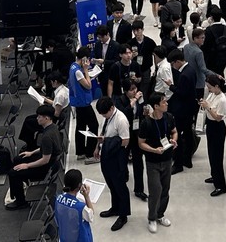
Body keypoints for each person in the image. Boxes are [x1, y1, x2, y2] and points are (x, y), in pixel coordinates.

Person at [6, 105, 63, 210]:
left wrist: (27, 165)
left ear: (46, 118)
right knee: (18, 159)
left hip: (45, 167)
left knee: (13, 173)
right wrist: (31, 153)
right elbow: (46, 148)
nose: (37, 118)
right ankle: (21, 185)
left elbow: (45, 160)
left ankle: (20, 201)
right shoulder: (53, 128)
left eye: (39, 116)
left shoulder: (47, 136)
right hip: (49, 160)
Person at [138, 92, 177, 234]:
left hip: (167, 159)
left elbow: (174, 132)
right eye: (163, 102)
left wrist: (174, 140)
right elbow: (141, 143)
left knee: (165, 189)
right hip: (153, 162)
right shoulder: (146, 123)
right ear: (156, 106)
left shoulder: (169, 117)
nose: (166, 104)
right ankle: (152, 217)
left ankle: (160, 214)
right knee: (156, 190)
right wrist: (154, 150)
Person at [94, 96, 131, 231]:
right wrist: (97, 147)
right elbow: (102, 133)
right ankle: (115, 208)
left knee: (120, 186)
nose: (103, 116)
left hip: (117, 157)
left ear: (111, 108)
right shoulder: (107, 117)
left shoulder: (121, 120)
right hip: (106, 154)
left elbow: (125, 141)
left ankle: (123, 215)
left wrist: (107, 140)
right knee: (111, 184)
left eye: (104, 113)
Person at [165, 48, 198, 174]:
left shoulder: (184, 75)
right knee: (188, 133)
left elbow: (181, 93)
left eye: (173, 64)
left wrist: (171, 86)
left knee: (177, 135)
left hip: (182, 110)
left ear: (177, 61)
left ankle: (178, 163)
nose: (173, 66)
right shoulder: (191, 70)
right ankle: (187, 159)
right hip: (190, 108)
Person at [68, 47, 100, 164]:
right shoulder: (78, 71)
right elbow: (88, 86)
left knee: (80, 126)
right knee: (94, 125)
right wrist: (86, 71)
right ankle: (90, 154)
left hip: (78, 101)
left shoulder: (73, 66)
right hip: (83, 102)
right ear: (84, 59)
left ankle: (81, 152)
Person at [199, 74, 226, 197]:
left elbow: (218, 117)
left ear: (216, 86)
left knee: (217, 156)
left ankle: (220, 185)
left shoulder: (222, 99)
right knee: (211, 153)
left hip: (217, 127)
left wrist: (208, 107)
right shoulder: (213, 94)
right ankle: (214, 175)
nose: (208, 89)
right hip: (210, 125)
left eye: (210, 87)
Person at [55, 169, 95, 242]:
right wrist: (86, 196)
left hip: (65, 237)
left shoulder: (58, 199)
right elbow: (91, 215)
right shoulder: (81, 207)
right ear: (79, 185)